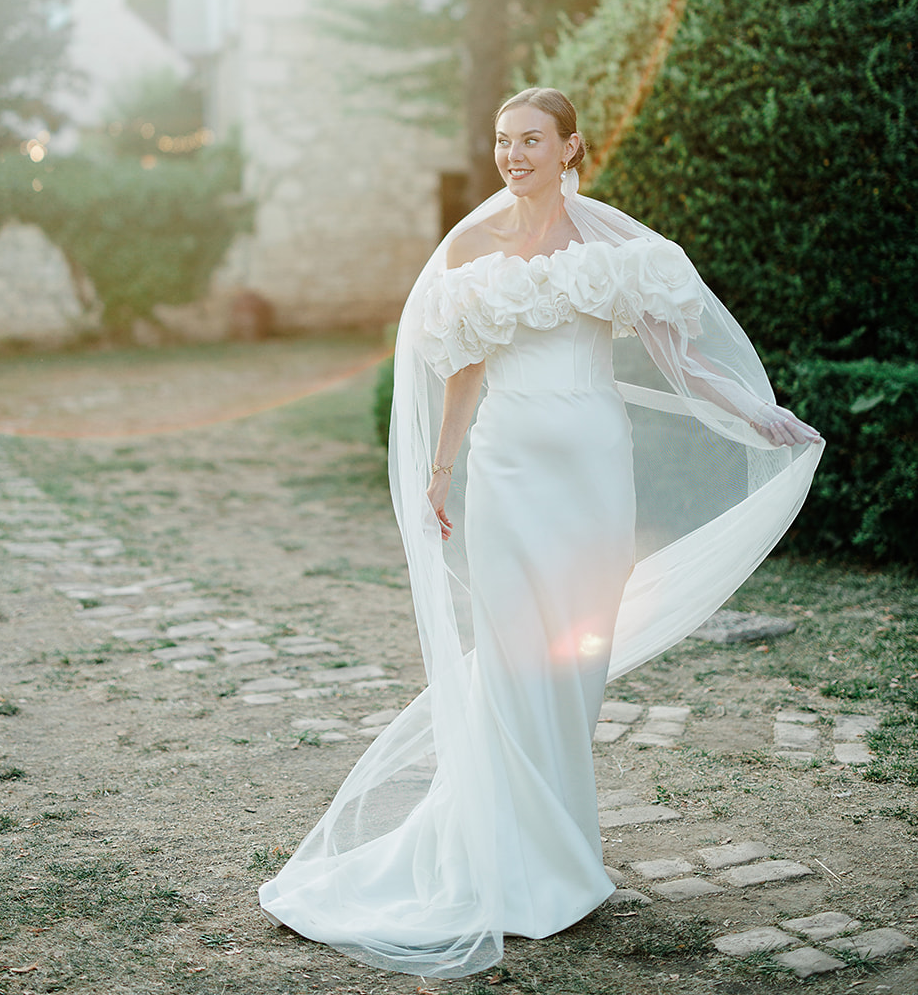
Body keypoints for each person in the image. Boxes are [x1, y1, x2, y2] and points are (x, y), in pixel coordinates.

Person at [260, 87, 823, 982]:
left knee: (576, 665)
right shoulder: (470, 250)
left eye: (530, 140)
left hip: (595, 474)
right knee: (518, 656)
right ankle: (520, 866)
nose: (512, 154)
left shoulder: (617, 254)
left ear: (571, 149)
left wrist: (759, 415)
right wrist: (441, 471)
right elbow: (463, 368)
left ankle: (559, 852)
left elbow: (682, 357)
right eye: (500, 140)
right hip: (508, 478)